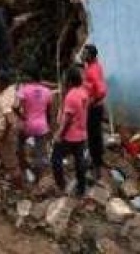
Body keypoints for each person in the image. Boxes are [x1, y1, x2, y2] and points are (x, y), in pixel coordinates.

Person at [52, 65, 89, 197]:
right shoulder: (83, 92)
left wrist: (59, 135)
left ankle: (61, 185)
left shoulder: (71, 96)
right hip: (81, 134)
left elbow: (67, 120)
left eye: (66, 78)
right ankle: (81, 189)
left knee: (55, 159)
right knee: (79, 161)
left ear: (70, 80)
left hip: (69, 136)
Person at [16, 78, 54, 180]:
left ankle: (23, 166)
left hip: (28, 124)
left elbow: (15, 106)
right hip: (42, 126)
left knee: (19, 142)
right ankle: (39, 178)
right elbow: (49, 112)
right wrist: (49, 125)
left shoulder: (24, 89)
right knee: (40, 152)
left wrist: (22, 117)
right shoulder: (47, 91)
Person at [0, 82, 25, 188]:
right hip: (11, 129)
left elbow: (9, 120)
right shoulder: (14, 90)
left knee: (11, 163)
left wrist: (4, 135)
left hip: (4, 131)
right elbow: (18, 110)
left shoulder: (3, 98)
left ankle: (20, 189)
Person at [82, 44, 108, 181]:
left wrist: (91, 102)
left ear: (91, 56)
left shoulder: (92, 70)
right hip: (96, 107)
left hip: (94, 108)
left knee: (93, 137)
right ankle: (97, 161)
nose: (82, 56)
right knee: (95, 135)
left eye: (85, 53)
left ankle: (96, 166)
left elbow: (102, 91)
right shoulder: (94, 67)